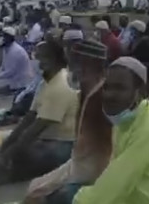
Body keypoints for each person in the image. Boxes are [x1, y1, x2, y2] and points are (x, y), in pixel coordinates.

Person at [61, 58, 149, 204]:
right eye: (107, 87)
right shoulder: (127, 121)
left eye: (120, 88)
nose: (109, 94)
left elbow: (116, 183)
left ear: (139, 92)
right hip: (146, 192)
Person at [25, 40, 112, 204]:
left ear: (89, 64)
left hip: (99, 171)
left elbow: (105, 156)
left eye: (74, 61)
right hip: (79, 163)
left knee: (54, 197)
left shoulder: (103, 100)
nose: (70, 67)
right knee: (33, 189)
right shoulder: (84, 93)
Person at [0, 41, 78, 182]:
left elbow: (36, 128)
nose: (36, 61)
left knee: (19, 158)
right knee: (12, 150)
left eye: (41, 57)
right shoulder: (45, 82)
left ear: (54, 60)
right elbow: (29, 118)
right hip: (47, 139)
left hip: (63, 144)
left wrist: (7, 155)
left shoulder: (60, 85)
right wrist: (4, 147)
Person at [0, 26, 34, 96]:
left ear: (9, 38)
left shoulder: (15, 51)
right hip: (12, 78)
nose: (1, 38)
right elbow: (3, 67)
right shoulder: (6, 48)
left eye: (3, 36)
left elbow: (10, 72)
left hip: (20, 82)